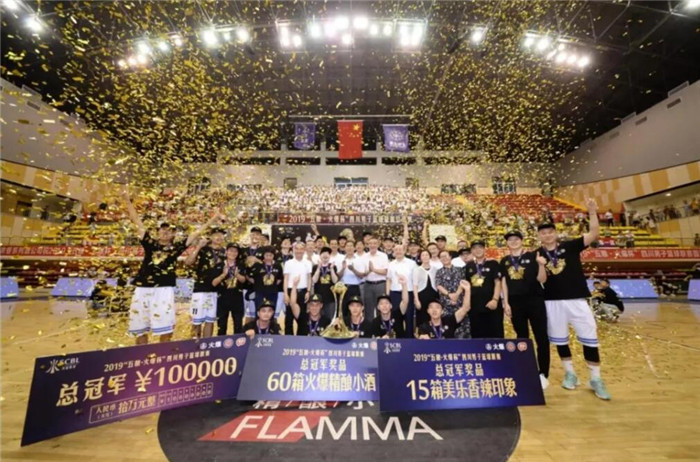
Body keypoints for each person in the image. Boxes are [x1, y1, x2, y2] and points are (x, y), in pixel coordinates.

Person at [537, 197, 611, 400]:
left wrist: (592, 212)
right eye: (543, 233)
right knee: (560, 339)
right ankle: (570, 373)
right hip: (552, 301)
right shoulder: (537, 255)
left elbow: (594, 233)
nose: (547, 235)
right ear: (539, 236)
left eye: (550, 231)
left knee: (590, 339)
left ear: (555, 233)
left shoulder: (570, 246)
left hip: (577, 300)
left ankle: (596, 378)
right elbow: (540, 279)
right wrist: (540, 264)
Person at [123, 192, 218, 344]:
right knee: (140, 327)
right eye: (162, 229)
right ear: (157, 232)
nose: (165, 232)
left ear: (174, 234)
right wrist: (127, 201)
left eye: (169, 230)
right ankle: (141, 354)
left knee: (166, 328)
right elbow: (137, 222)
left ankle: (163, 354)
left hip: (164, 289)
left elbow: (197, 232)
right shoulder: (150, 244)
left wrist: (213, 218)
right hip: (142, 288)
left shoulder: (176, 248)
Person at [499, 230, 550, 389]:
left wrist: (541, 265)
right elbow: (504, 283)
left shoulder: (533, 256)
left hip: (535, 301)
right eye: (510, 240)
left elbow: (542, 279)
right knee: (522, 337)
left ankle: (543, 373)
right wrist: (506, 303)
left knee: (541, 337)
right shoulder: (504, 261)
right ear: (507, 243)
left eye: (516, 239)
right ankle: (526, 369)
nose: (513, 242)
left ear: (522, 240)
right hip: (515, 303)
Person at [185, 227, 227, 339]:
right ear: (211, 237)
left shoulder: (225, 252)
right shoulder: (203, 249)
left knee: (210, 320)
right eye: (216, 234)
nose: (219, 237)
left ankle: (206, 344)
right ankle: (194, 344)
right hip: (200, 289)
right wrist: (198, 246)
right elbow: (188, 262)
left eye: (221, 235)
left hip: (216, 291)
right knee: (196, 320)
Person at [465, 240, 503, 338]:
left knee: (496, 334)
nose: (477, 250)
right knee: (477, 335)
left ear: (484, 249)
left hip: (492, 304)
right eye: (474, 248)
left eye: (480, 247)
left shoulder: (493, 263)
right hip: (475, 306)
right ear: (471, 251)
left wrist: (495, 299)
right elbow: (467, 286)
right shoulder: (469, 266)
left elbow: (498, 282)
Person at [212, 243, 247, 335]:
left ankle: (238, 343)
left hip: (237, 298)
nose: (233, 253)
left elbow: (243, 280)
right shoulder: (219, 265)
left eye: (235, 251)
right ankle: (222, 343)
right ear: (226, 252)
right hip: (222, 298)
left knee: (238, 325)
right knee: (221, 326)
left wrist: (237, 274)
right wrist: (223, 275)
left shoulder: (240, 265)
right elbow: (214, 283)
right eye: (231, 250)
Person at [386, 244, 417, 337]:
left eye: (400, 249)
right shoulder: (391, 264)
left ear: (404, 251)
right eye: (396, 250)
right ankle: (398, 339)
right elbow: (389, 280)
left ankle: (409, 339)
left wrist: (416, 297)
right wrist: (387, 295)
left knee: (409, 317)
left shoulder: (412, 263)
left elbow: (415, 281)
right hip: (394, 293)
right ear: (394, 252)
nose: (398, 251)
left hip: (408, 293)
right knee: (396, 317)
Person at [283, 242, 312, 335]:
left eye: (301, 249)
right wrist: (285, 293)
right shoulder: (288, 263)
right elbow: (286, 279)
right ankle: (288, 338)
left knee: (303, 317)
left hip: (303, 291)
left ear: (304, 250)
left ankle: (301, 338)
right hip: (290, 290)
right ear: (293, 250)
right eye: (297, 248)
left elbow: (309, 278)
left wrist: (308, 291)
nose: (299, 251)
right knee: (289, 317)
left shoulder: (308, 263)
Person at [248, 246, 284, 319]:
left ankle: (271, 325)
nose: (268, 257)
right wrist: (256, 283)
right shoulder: (257, 265)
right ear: (263, 255)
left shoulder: (277, 266)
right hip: (259, 292)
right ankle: (258, 325)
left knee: (271, 311)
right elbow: (249, 276)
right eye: (266, 255)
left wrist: (272, 284)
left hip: (273, 293)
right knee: (259, 310)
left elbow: (279, 278)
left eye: (270, 255)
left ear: (273, 256)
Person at [336, 240, 368, 317]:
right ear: (344, 248)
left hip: (355, 288)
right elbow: (338, 277)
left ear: (354, 248)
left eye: (351, 246)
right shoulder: (340, 260)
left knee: (355, 310)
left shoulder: (359, 260)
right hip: (343, 288)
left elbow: (362, 276)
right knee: (342, 310)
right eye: (347, 246)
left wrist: (353, 270)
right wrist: (343, 269)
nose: (349, 248)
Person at [364, 237, 389, 321]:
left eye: (375, 243)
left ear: (378, 245)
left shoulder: (383, 256)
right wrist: (368, 271)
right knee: (368, 309)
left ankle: (381, 326)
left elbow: (385, 271)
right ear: (367, 245)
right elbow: (363, 272)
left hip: (380, 285)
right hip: (368, 285)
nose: (372, 245)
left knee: (381, 307)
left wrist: (374, 270)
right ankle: (370, 327)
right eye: (370, 243)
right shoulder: (365, 256)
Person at [435, 250, 466, 316]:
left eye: (445, 256)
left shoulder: (459, 269)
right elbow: (438, 285)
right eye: (442, 257)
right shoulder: (439, 272)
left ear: (450, 257)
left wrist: (456, 294)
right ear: (440, 259)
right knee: (447, 320)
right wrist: (449, 295)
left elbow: (463, 283)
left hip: (460, 300)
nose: (444, 258)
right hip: (446, 301)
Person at [413, 249, 439, 329]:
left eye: (427, 255)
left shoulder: (435, 269)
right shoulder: (417, 270)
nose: (425, 257)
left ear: (430, 256)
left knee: (433, 315)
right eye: (423, 255)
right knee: (422, 316)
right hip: (422, 296)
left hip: (433, 295)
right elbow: (415, 285)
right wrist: (416, 300)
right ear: (420, 258)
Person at [312, 247, 339, 320]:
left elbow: (335, 281)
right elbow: (314, 280)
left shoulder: (333, 266)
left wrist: (332, 269)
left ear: (330, 256)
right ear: (320, 255)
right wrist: (318, 268)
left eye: (327, 253)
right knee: (319, 318)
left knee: (331, 318)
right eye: (323, 253)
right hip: (318, 298)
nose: (325, 255)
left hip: (330, 298)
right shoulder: (315, 267)